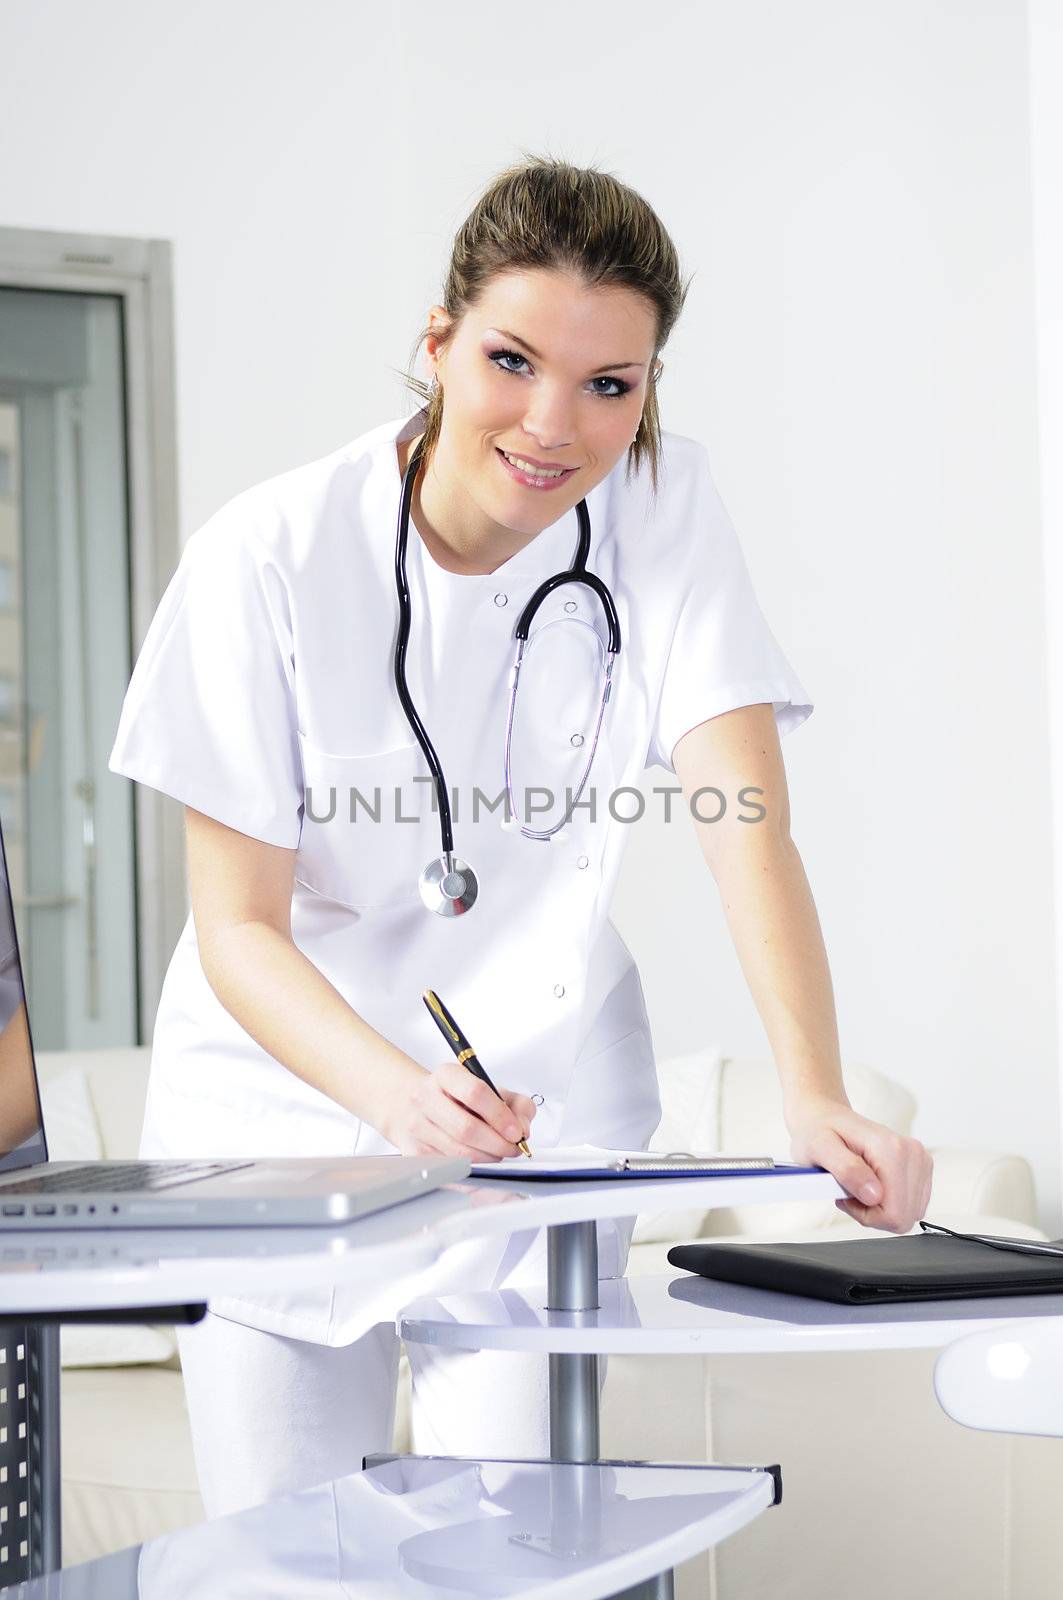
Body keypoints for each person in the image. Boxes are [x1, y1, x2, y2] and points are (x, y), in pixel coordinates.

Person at [108, 154, 933, 1518]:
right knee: (279, 1554)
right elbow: (236, 928)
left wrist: (817, 1091)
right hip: (284, 1113)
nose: (556, 425)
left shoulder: (662, 509)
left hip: (533, 1116)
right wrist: (392, 1097)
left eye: (611, 385)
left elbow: (745, 830)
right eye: (511, 360)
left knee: (519, 1542)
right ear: (437, 346)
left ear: (648, 389)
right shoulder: (268, 558)